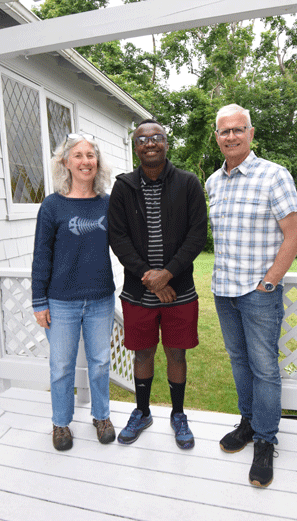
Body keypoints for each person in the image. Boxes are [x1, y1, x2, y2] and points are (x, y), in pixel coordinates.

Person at [206, 104, 297, 487]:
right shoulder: (214, 182)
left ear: (250, 133)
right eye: (224, 131)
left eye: (238, 129)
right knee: (239, 362)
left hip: (258, 292)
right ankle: (247, 423)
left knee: (264, 368)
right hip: (224, 290)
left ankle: (265, 440)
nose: (231, 136)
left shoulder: (274, 176)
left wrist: (269, 282)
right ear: (217, 137)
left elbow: (294, 237)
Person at [108, 119, 207, 449]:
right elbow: (117, 237)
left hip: (180, 291)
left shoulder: (188, 183)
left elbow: (197, 235)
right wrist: (149, 278)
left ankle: (178, 414)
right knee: (142, 353)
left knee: (176, 354)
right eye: (142, 139)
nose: (150, 143)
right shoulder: (123, 187)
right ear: (135, 147)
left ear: (166, 143)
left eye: (157, 138)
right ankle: (143, 411)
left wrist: (168, 272)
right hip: (138, 292)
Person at [32, 133, 117, 451]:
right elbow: (42, 255)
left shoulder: (107, 204)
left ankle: (102, 416)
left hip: (100, 298)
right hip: (61, 300)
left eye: (91, 155)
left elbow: (124, 243)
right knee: (62, 366)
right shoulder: (52, 206)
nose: (85, 161)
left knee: (99, 362)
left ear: (98, 162)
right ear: (65, 162)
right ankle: (60, 423)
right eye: (78, 155)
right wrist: (39, 299)